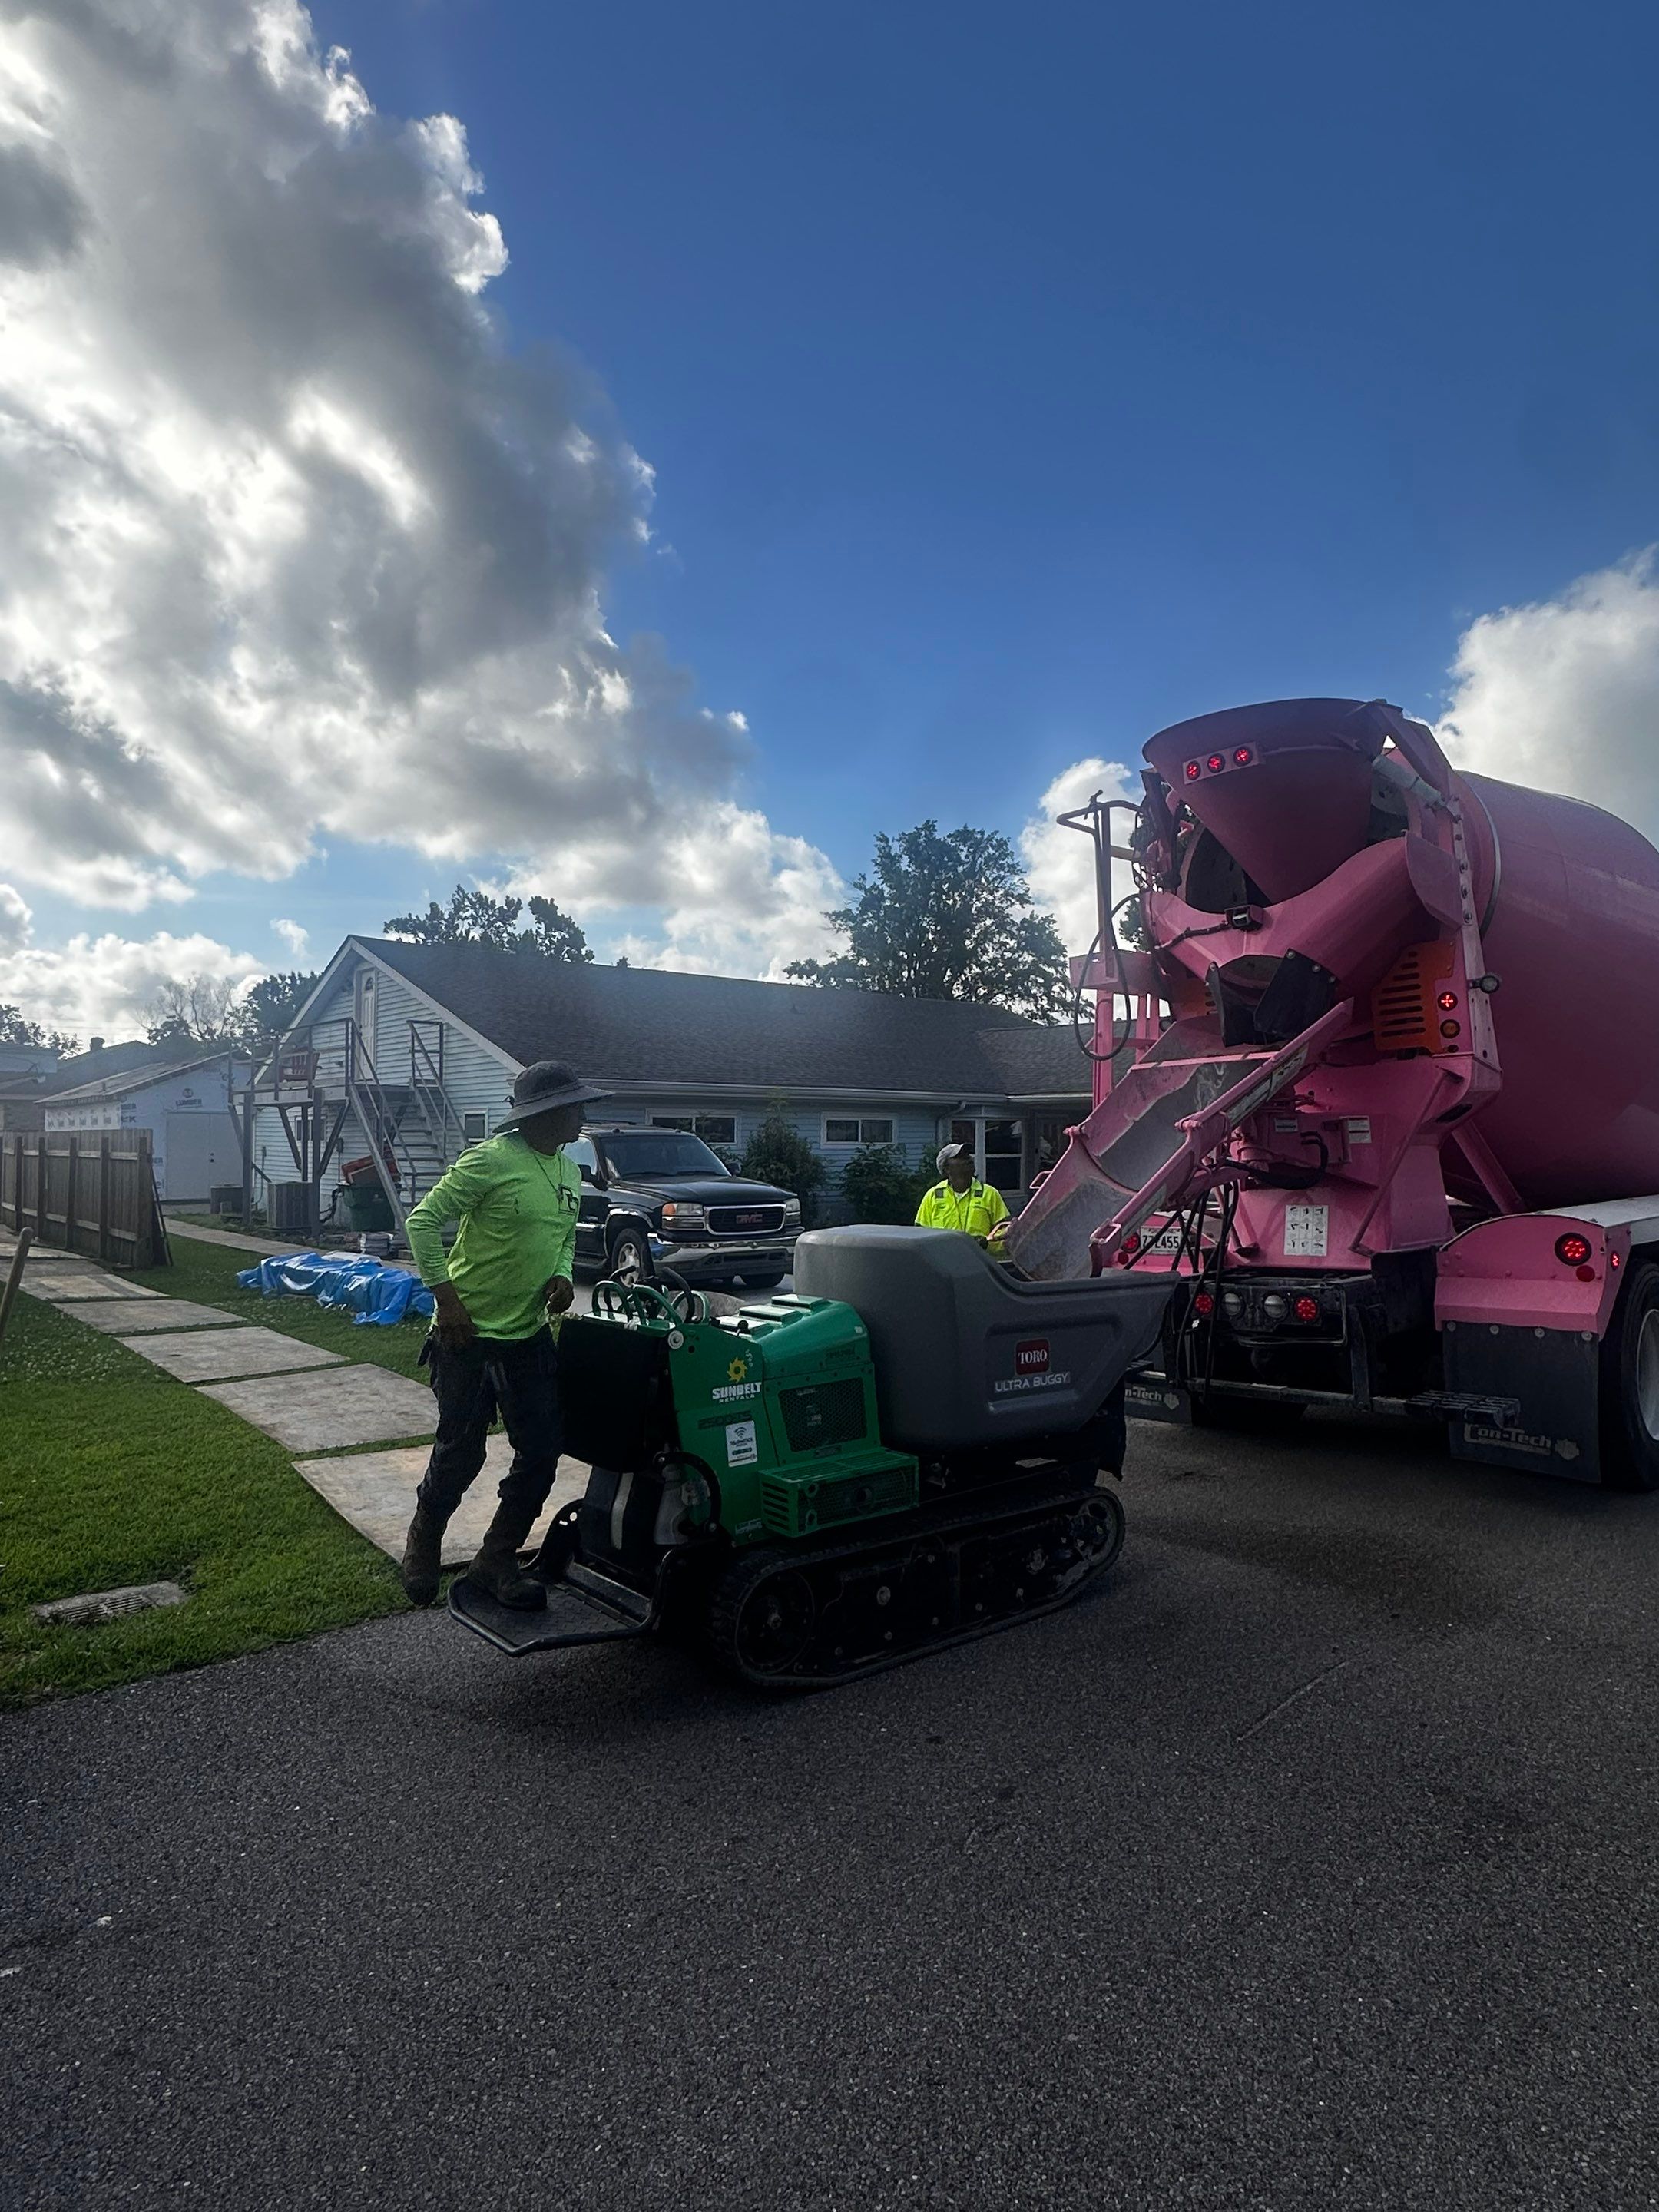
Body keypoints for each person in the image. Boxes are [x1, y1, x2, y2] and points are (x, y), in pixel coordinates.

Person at [398, 1058, 610, 1612]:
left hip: (529, 1336)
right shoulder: (490, 1161)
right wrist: (446, 1300)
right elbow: (422, 1221)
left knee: (541, 1451)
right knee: (459, 1453)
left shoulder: (569, 1171)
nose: (583, 1115)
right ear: (546, 1112)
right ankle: (424, 1537)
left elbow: (563, 1234)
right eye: (576, 1106)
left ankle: (496, 1559)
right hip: (465, 1335)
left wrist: (563, 1272)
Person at [914, 1141, 1011, 1243]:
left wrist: (987, 1243)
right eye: (959, 1156)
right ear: (947, 1169)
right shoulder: (933, 1195)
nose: (968, 1158)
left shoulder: (989, 1193)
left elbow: (1004, 1229)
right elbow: (921, 1233)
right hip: (943, 1257)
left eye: (967, 1155)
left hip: (978, 1257)